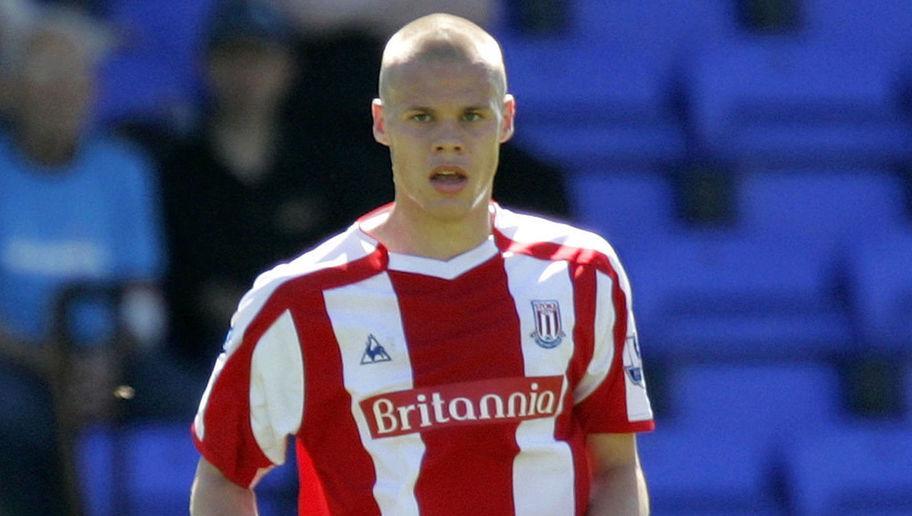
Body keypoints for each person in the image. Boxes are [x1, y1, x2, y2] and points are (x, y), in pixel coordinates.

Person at [190, 13, 654, 516]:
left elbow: (616, 468)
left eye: (472, 115)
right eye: (422, 116)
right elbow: (224, 480)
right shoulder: (297, 300)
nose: (448, 140)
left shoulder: (582, 273)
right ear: (382, 122)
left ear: (507, 119)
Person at [0, 4, 170, 514]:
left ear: (95, 93)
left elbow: (145, 298)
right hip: (19, 363)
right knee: (15, 420)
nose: (62, 95)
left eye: (75, 80)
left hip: (110, 360)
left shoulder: (125, 171)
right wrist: (51, 364)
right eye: (46, 80)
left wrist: (106, 364)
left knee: (192, 402)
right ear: (10, 92)